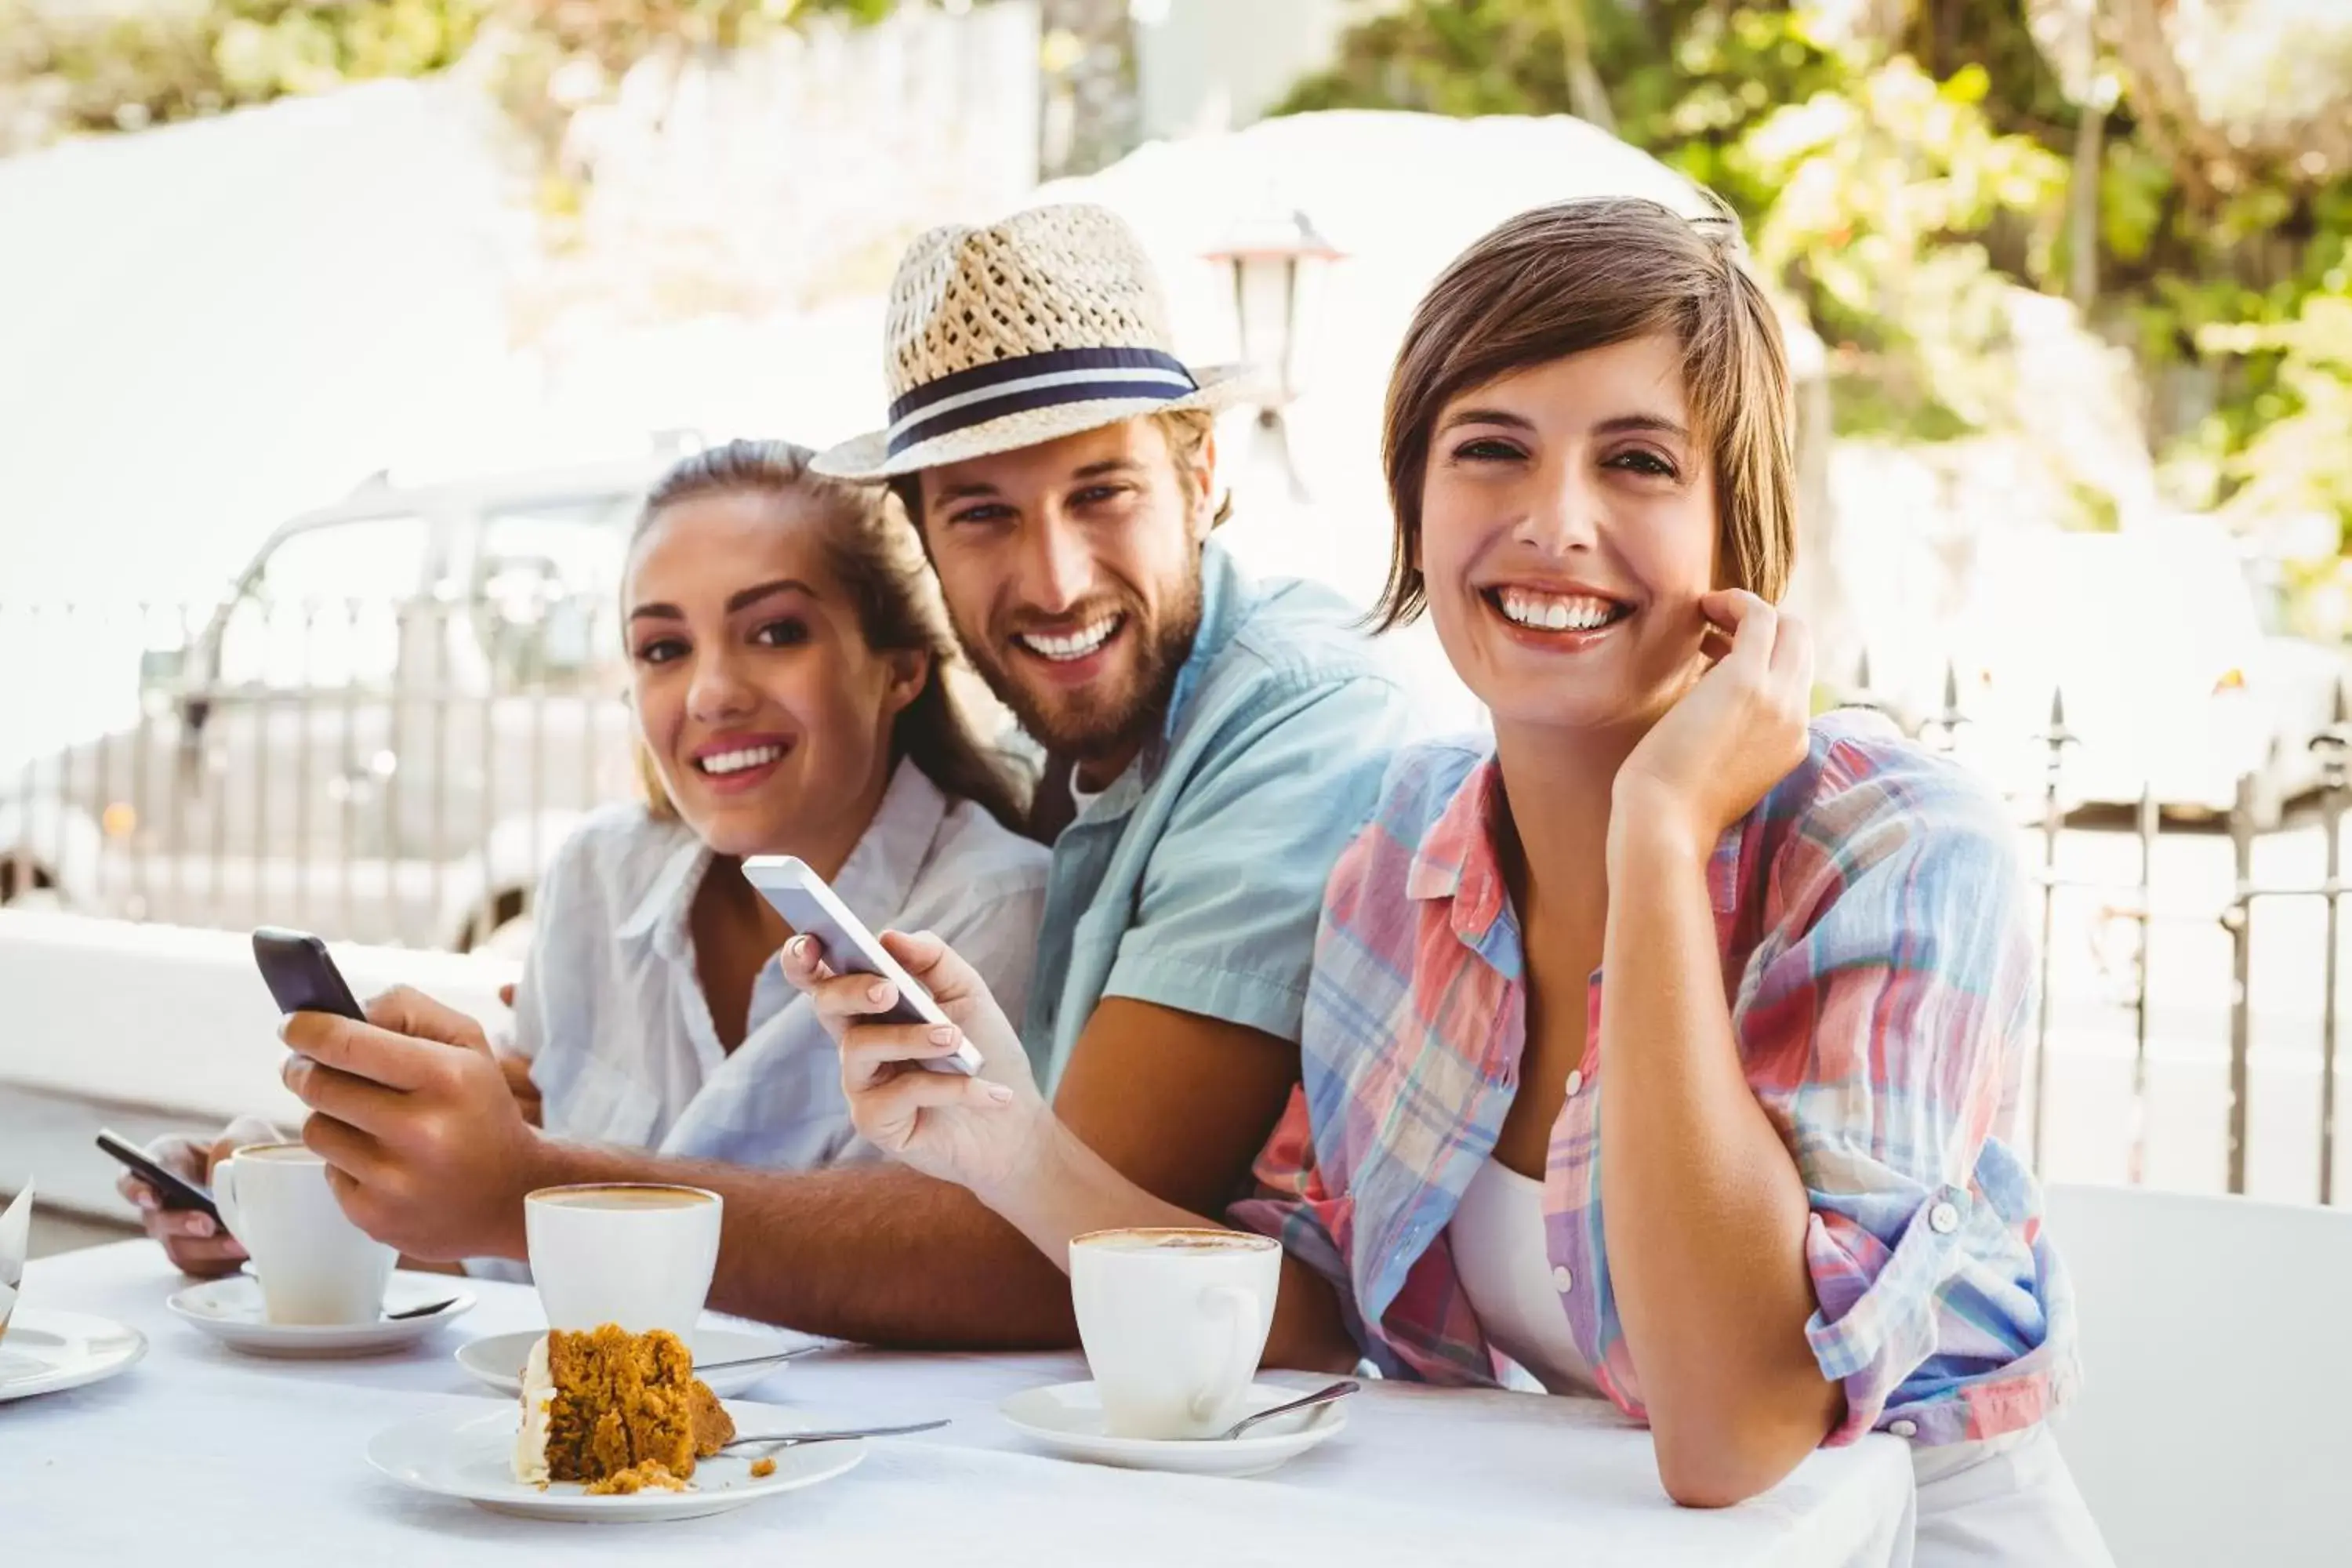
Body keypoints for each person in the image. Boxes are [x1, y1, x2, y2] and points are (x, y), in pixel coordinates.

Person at [793, 197, 2111, 1563]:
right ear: (1415, 506)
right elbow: (1315, 1316)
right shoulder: (1408, 849)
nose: (1555, 523)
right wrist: (1012, 1147)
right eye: (1491, 450)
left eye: (1640, 464)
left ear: (1738, 531)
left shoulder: (1893, 846)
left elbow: (1733, 1431)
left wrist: (1659, 837)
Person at [267, 203, 1414, 1346]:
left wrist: (530, 1188)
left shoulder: (1294, 727)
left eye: (1101, 492)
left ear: (1202, 473)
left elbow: (1048, 1257)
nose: (1055, 578)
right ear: (925, 541)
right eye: (982, 515)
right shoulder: (1040, 749)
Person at [123, 439, 1050, 1276]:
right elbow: (500, 1249)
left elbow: (958, 1262)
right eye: (663, 648)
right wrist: (284, 1202)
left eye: (775, 632)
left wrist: (520, 1185)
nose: (713, 692)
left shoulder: (994, 907)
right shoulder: (597, 877)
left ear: (900, 667)